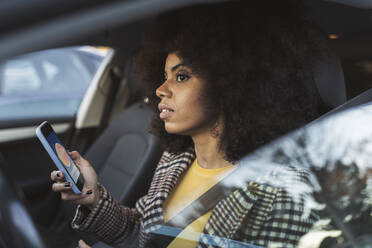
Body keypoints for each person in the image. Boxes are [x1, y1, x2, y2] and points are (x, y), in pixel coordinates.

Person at [51, 1, 327, 247]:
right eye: (163, 75)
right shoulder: (176, 159)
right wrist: (92, 196)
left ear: (231, 85)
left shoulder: (285, 192)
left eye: (181, 76)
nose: (160, 89)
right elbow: (145, 237)